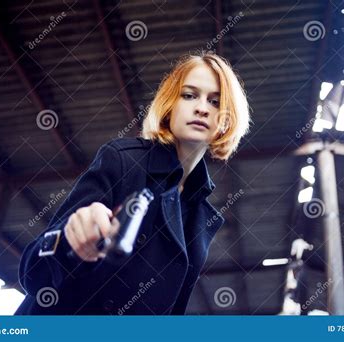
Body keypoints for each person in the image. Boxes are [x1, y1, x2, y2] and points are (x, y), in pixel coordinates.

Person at [14, 51, 251, 315]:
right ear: (170, 104)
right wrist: (70, 240)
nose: (202, 107)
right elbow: (33, 272)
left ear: (226, 121)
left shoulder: (204, 217)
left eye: (216, 101)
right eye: (189, 95)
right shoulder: (122, 160)